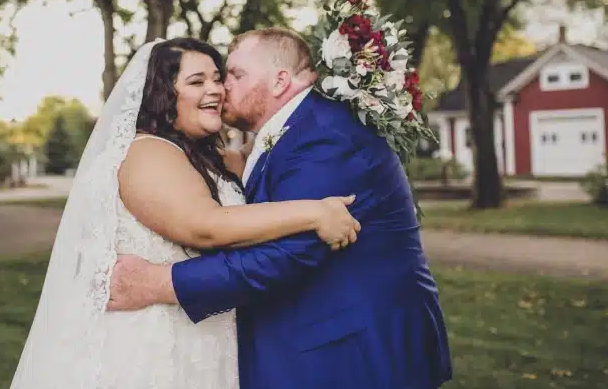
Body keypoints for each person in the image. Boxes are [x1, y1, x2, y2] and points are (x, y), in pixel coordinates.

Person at [108, 28, 453, 389]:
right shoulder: (286, 133)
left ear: (280, 81)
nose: (222, 87)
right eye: (204, 80)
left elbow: (288, 254)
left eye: (233, 75)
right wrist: (314, 212)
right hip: (250, 341)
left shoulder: (324, 136)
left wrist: (163, 283)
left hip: (353, 352)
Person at [8, 37, 361, 389]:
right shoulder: (147, 154)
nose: (217, 90)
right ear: (163, 94)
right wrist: (315, 213)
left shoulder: (205, 157)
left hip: (201, 335)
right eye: (197, 82)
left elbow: (272, 144)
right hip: (151, 346)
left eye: (218, 78)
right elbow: (206, 227)